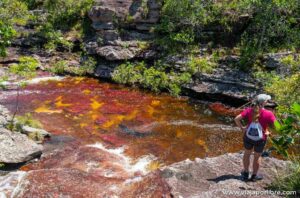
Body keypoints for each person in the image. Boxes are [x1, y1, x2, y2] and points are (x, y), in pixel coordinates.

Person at [234, 94, 276, 181]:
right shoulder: (269, 113)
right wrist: (269, 132)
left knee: (247, 154)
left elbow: (236, 119)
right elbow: (276, 127)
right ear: (264, 102)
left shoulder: (249, 110)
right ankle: (254, 176)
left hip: (248, 136)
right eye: (267, 100)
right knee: (257, 157)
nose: (267, 102)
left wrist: (242, 128)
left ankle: (245, 173)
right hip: (260, 139)